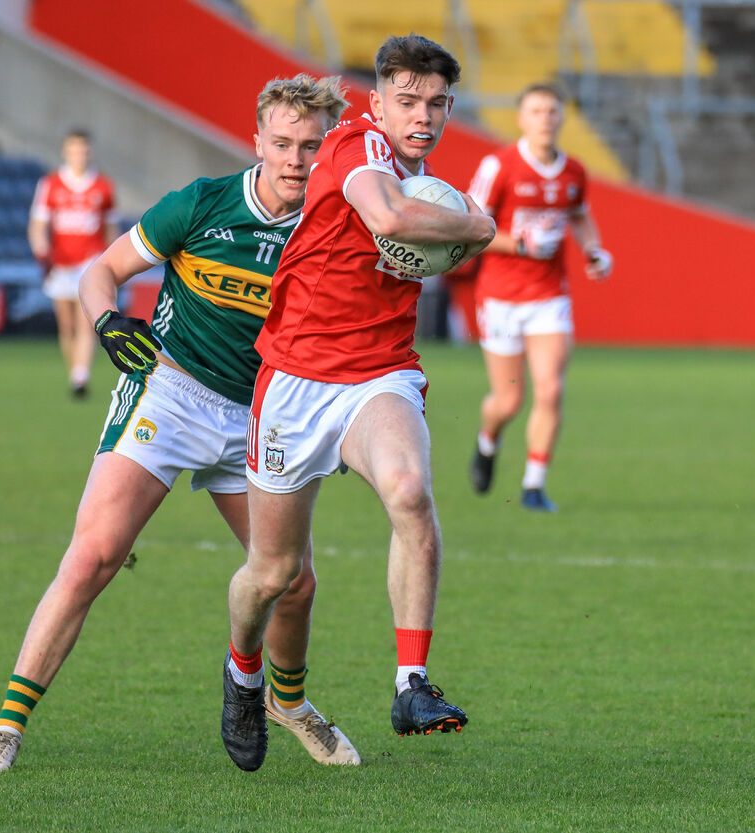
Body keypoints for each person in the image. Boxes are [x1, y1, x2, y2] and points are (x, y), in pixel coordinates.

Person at [0, 74, 356, 776]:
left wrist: (343, 416)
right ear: (258, 140)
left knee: (293, 581)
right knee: (92, 557)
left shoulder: (333, 229)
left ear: (330, 150)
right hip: (168, 393)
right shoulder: (201, 204)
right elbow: (100, 270)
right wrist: (109, 321)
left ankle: (288, 703)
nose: (297, 159)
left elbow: (346, 339)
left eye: (312, 146)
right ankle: (6, 726)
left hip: (260, 415)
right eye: (285, 143)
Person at [220, 34, 497, 773]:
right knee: (273, 573)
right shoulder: (352, 147)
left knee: (410, 492)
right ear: (378, 103)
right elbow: (392, 221)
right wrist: (479, 226)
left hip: (380, 372)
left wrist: (458, 224)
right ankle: (244, 672)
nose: (424, 116)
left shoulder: (428, 179)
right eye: (408, 101)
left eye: (438, 104)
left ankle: (412, 685)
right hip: (296, 380)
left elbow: (412, 225)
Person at [465, 82, 613, 512]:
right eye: (536, 111)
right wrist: (518, 244)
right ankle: (488, 439)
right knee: (509, 400)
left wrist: (595, 252)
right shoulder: (499, 166)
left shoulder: (574, 172)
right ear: (520, 119)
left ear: (562, 117)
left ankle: (533, 485)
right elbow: (470, 227)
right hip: (500, 297)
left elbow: (581, 216)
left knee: (549, 391)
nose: (545, 118)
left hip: (549, 295)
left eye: (552, 111)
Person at [28, 129, 117, 398]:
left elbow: (111, 229)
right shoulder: (51, 184)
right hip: (60, 263)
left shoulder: (102, 186)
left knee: (85, 321)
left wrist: (110, 263)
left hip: (88, 262)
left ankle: (81, 376)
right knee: (66, 326)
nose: (79, 155)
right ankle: (75, 371)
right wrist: (40, 249)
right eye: (74, 150)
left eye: (84, 150)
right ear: (66, 152)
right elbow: (37, 224)